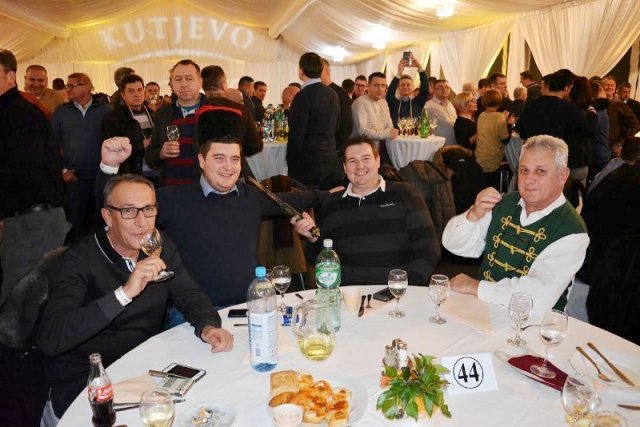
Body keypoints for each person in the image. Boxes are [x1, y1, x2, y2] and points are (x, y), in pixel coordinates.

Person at [36, 174, 233, 419]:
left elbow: (188, 293)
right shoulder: (78, 260)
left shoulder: (159, 246)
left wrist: (208, 326)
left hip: (143, 367)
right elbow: (50, 338)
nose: (142, 222)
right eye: (129, 211)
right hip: (88, 383)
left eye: (148, 209)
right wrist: (123, 294)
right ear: (108, 216)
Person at [99, 108, 327, 309]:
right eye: (219, 158)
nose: (228, 167)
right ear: (201, 160)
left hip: (251, 305)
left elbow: (293, 199)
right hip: (193, 313)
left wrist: (330, 195)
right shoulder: (175, 199)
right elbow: (115, 207)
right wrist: (109, 167)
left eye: (235, 159)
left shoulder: (251, 197)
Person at [442, 135, 589, 320]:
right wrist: (473, 215)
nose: (528, 179)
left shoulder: (571, 230)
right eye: (524, 170)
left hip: (535, 325)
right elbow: (454, 245)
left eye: (540, 171)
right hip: (483, 312)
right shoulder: (505, 202)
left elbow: (534, 298)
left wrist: (475, 286)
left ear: (562, 176)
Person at [306, 138, 440, 285]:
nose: (360, 166)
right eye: (352, 161)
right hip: (348, 292)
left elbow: (429, 249)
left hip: (396, 290)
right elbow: (318, 259)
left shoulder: (405, 194)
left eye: (366, 158)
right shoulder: (331, 204)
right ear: (344, 167)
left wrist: (405, 287)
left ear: (377, 161)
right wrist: (313, 239)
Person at [0, 49, 69, 304]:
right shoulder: (13, 110)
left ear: (11, 76)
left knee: (19, 300)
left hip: (33, 220)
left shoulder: (19, 113)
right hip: (27, 219)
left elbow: (23, 170)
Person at [52, 72, 112, 241]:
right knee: (76, 224)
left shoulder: (106, 111)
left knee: (102, 221)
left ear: (87, 87)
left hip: (101, 177)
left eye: (72, 85)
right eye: (67, 86)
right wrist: (62, 170)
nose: (67, 89)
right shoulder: (61, 112)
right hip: (74, 178)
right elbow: (51, 144)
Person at [145, 59, 206, 186]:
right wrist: (160, 153)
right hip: (169, 189)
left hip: (202, 188)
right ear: (172, 84)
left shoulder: (212, 112)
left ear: (200, 82)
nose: (183, 84)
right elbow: (150, 155)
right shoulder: (163, 114)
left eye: (189, 78)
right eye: (178, 79)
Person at [286, 53, 343, 190]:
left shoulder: (302, 96)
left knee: (307, 200)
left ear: (301, 71)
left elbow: (296, 133)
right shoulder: (332, 94)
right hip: (330, 158)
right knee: (327, 198)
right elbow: (337, 125)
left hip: (308, 163)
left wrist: (291, 162)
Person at [101, 74, 154, 175]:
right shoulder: (112, 118)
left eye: (139, 90)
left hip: (156, 170)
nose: (137, 94)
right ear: (123, 95)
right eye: (131, 91)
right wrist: (141, 145)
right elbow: (111, 150)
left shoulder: (153, 114)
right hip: (131, 172)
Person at [475, 89, 514, 189]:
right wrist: (509, 124)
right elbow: (505, 139)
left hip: (480, 156)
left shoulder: (481, 115)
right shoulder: (499, 117)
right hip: (492, 159)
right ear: (499, 101)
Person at [351, 72, 398, 144]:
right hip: (361, 146)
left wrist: (384, 133)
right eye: (376, 85)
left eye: (383, 86)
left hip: (380, 146)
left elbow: (389, 126)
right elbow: (362, 131)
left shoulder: (384, 103)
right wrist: (386, 134)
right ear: (368, 86)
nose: (380, 89)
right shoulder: (360, 102)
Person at [385, 54, 429, 128]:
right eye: (402, 85)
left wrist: (419, 67)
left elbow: (425, 89)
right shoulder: (394, 103)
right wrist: (399, 73)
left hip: (414, 134)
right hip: (397, 135)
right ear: (398, 88)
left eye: (408, 84)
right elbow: (390, 93)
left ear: (413, 87)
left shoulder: (417, 102)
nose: (405, 87)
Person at [321, 58, 353, 153]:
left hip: (334, 149)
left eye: (319, 70)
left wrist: (338, 147)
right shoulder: (316, 92)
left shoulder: (339, 93)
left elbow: (347, 124)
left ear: (327, 71)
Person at [424, 79, 457, 145]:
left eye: (446, 87)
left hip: (454, 143)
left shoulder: (450, 105)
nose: (444, 89)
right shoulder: (429, 106)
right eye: (440, 87)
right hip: (440, 145)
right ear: (433, 90)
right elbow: (426, 128)